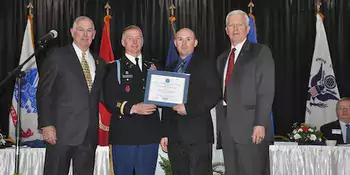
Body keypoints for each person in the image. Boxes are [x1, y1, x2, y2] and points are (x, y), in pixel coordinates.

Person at [37, 16, 106, 175]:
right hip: (61, 132)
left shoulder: (99, 62)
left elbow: (101, 96)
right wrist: (47, 124)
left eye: (89, 30)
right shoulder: (57, 56)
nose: (85, 34)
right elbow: (44, 92)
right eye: (81, 30)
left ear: (94, 34)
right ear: (72, 32)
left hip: (88, 135)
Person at [215, 10, 275, 175]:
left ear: (248, 29)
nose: (235, 29)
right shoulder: (222, 58)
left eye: (239, 25)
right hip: (227, 128)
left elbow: (266, 90)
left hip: (251, 128)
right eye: (231, 25)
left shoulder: (260, 52)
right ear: (226, 30)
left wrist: (260, 123)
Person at [160, 28, 221, 175]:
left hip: (197, 137)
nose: (184, 43)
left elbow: (215, 94)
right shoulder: (169, 68)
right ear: (175, 43)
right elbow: (166, 104)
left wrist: (189, 108)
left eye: (188, 39)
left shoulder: (206, 65)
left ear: (195, 42)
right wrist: (165, 133)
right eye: (180, 39)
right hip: (175, 138)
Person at [103, 25, 161, 175]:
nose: (135, 42)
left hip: (150, 135)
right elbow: (108, 98)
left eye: (138, 38)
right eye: (130, 38)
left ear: (142, 41)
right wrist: (133, 108)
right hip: (124, 135)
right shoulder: (113, 68)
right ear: (123, 42)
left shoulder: (154, 67)